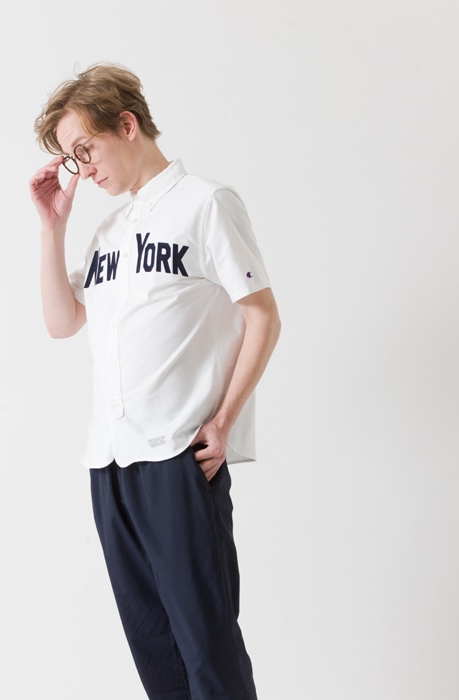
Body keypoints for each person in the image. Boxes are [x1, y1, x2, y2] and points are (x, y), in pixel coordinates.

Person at [29, 63, 280, 700]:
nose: (81, 169)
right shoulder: (108, 232)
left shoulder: (206, 204)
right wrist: (53, 228)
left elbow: (263, 317)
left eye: (84, 148)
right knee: (156, 656)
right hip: (110, 464)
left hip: (177, 458)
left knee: (208, 654)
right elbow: (61, 322)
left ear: (127, 124)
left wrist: (223, 422)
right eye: (71, 157)